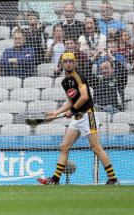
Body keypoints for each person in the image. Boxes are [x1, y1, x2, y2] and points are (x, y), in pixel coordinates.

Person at [37, 53, 119, 185]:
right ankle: (55, 179)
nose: (68, 63)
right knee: (64, 146)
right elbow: (71, 101)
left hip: (89, 115)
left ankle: (113, 179)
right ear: (62, 64)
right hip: (77, 118)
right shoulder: (64, 82)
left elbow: (85, 97)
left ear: (74, 63)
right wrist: (56, 113)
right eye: (65, 61)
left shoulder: (79, 77)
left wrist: (72, 111)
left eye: (70, 61)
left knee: (96, 148)